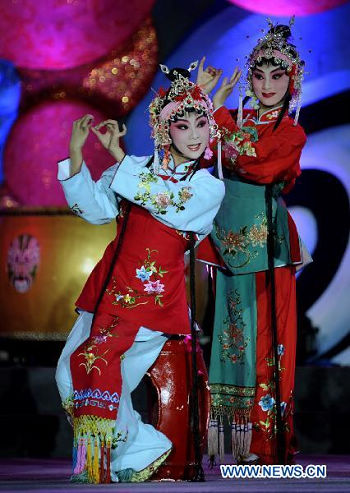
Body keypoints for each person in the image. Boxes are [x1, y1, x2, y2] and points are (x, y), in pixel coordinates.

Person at [55, 63, 225, 483]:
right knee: (67, 374)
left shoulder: (206, 186)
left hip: (148, 301)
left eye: (201, 123)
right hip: (106, 290)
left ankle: (122, 453)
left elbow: (166, 201)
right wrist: (78, 156)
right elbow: (94, 210)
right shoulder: (136, 168)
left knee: (94, 363)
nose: (194, 134)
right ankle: (136, 448)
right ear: (165, 131)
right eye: (182, 125)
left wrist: (119, 156)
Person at [196, 20, 308, 465]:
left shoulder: (292, 134)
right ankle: (233, 443)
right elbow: (200, 151)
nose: (265, 85)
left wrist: (217, 118)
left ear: (291, 80)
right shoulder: (233, 118)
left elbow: (257, 165)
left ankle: (268, 441)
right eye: (258, 75)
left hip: (268, 246)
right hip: (228, 244)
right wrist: (204, 105)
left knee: (268, 340)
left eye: (277, 76)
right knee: (231, 338)